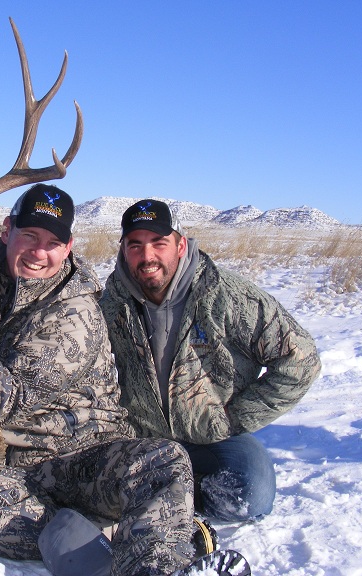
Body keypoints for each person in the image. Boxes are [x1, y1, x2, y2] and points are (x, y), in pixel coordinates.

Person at [0, 185, 248, 575]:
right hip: (11, 466)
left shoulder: (75, 311)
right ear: (7, 231)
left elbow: (5, 403)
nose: (40, 252)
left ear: (68, 247)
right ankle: (118, 544)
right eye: (30, 236)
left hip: (85, 458)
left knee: (163, 461)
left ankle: (158, 565)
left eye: (53, 242)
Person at [100, 199, 322, 523]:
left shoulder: (227, 295)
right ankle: (166, 503)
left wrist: (233, 417)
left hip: (213, 437)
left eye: (158, 243)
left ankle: (183, 505)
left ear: (180, 245)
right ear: (123, 249)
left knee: (250, 494)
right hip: (140, 438)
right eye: (136, 245)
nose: (147, 256)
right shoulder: (110, 305)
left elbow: (300, 360)